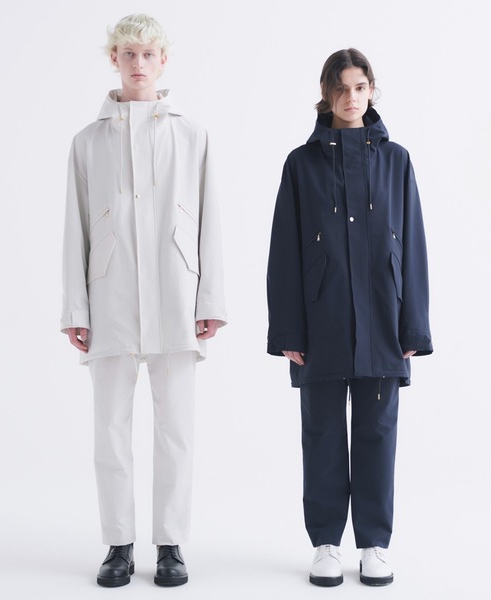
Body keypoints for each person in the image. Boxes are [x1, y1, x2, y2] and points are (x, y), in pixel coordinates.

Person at [61, 14, 227, 588]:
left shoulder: (192, 135)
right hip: (109, 298)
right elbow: (76, 228)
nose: (138, 63)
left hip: (176, 296)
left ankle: (171, 544)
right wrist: (75, 309)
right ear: (114, 59)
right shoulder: (88, 142)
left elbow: (208, 221)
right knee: (110, 428)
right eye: (128, 53)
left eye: (148, 53)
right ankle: (118, 544)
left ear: (163, 60)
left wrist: (210, 298)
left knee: (175, 428)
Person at [266, 48, 432, 587]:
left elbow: (413, 246)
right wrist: (288, 330)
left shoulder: (396, 160)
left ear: (372, 90)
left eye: (360, 87)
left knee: (378, 433)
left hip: (383, 319)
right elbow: (284, 252)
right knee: (321, 433)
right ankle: (325, 544)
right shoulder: (301, 163)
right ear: (326, 93)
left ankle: (374, 544)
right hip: (322, 320)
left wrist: (413, 326)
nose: (350, 97)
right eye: (340, 88)